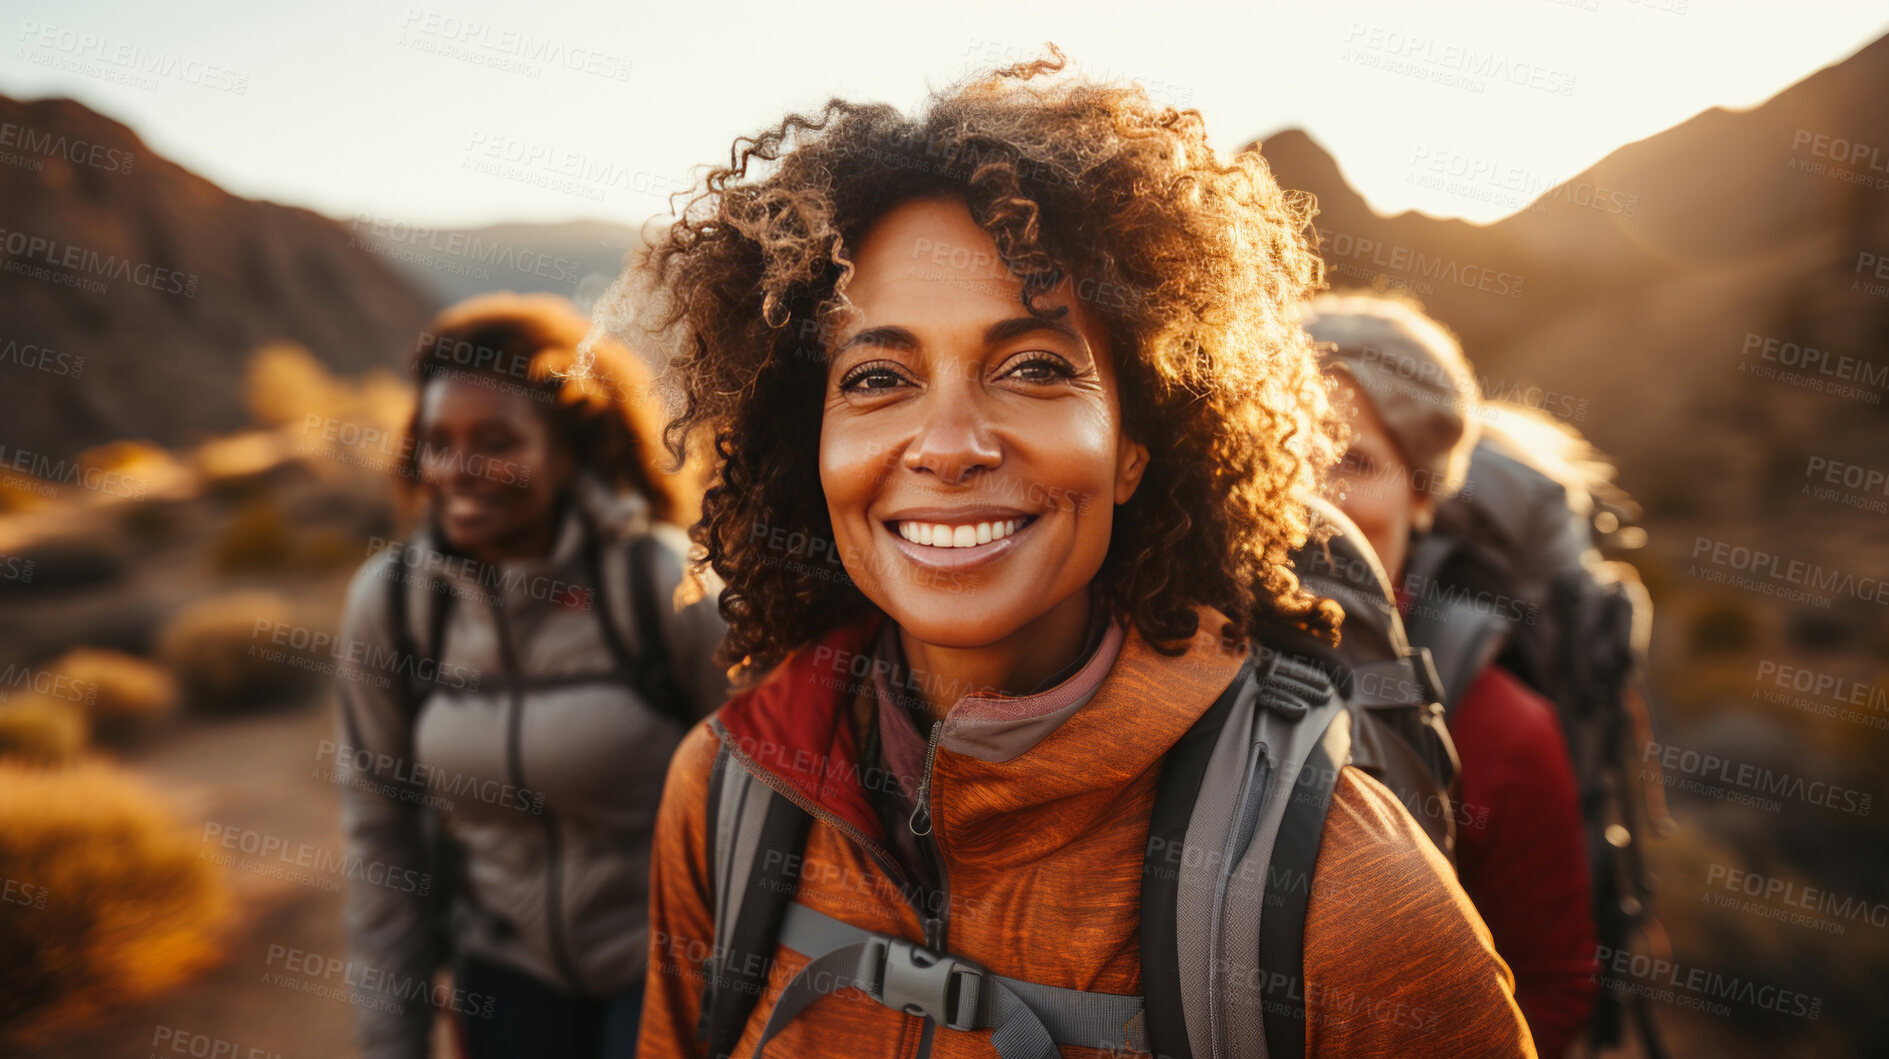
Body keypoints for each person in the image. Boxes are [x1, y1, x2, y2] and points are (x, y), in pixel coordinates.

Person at [620, 54, 1535, 1057]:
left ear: (1137, 444)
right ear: (811, 445)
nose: (948, 444)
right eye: (878, 376)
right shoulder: (725, 795)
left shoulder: (1345, 896)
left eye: (1034, 367)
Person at [333, 293, 731, 1059]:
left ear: (569, 447)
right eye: (438, 440)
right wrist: (392, 1041)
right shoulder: (394, 604)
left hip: (667, 966)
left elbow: (771, 795)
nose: (459, 468)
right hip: (502, 973)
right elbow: (381, 830)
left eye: (496, 440)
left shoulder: (662, 586)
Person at [1304, 290, 1599, 1057]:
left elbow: (1551, 982)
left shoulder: (1500, 728)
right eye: (1280, 449)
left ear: (1423, 494)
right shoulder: (1164, 652)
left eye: (1351, 460)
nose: (1310, 497)